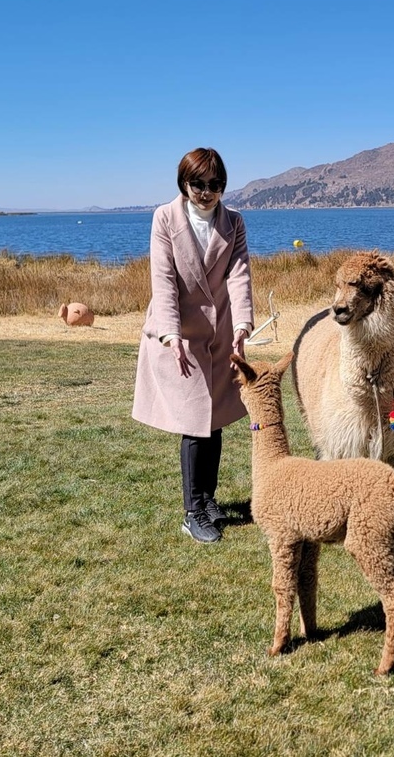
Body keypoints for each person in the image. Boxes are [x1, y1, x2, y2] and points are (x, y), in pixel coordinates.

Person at [132, 148, 254, 544]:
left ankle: (208, 498)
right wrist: (170, 334)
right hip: (179, 336)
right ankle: (192, 512)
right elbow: (163, 279)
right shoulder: (164, 218)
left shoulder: (233, 222)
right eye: (198, 184)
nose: (206, 192)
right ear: (184, 183)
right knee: (193, 422)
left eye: (215, 185)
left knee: (214, 420)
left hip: (218, 334)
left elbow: (239, 275)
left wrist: (242, 324)